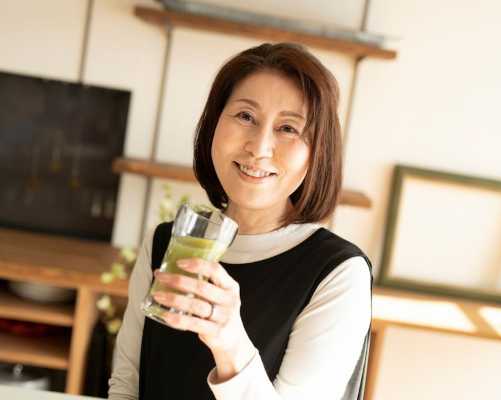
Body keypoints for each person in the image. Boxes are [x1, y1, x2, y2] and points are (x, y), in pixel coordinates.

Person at [108, 42, 372, 400]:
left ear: (317, 153)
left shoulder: (339, 273)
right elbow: (126, 386)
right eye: (246, 116)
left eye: (288, 128)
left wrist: (229, 342)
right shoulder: (165, 242)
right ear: (214, 124)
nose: (259, 148)